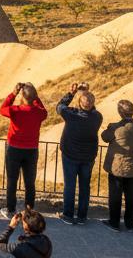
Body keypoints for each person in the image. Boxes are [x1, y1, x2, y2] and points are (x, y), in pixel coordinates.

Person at [55, 82, 102, 224]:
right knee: (84, 187)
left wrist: (72, 93)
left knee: (70, 186)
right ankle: (82, 217)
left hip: (70, 155)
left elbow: (60, 106)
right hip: (87, 158)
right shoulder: (97, 117)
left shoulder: (71, 114)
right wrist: (86, 95)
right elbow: (91, 110)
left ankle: (68, 215)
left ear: (80, 104)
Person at [0, 83, 47, 218]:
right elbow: (43, 110)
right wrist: (36, 98)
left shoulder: (16, 110)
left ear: (22, 96)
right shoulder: (39, 113)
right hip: (31, 150)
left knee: (12, 180)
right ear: (34, 96)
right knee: (30, 182)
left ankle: (10, 210)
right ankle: (29, 211)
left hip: (14, 149)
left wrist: (13, 94)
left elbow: (2, 109)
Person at [101, 99, 133, 232]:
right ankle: (130, 224)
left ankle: (114, 223)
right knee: (131, 197)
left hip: (118, 168)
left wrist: (110, 128)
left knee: (115, 195)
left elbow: (104, 137)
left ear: (120, 112)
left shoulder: (115, 127)